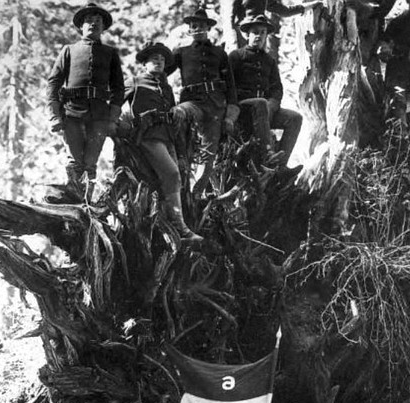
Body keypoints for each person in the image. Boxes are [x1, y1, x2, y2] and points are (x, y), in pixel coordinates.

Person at [120, 42, 204, 243]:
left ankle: (167, 225)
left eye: (162, 59)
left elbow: (173, 117)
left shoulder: (165, 87)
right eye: (154, 59)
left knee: (178, 177)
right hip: (148, 137)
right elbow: (113, 105)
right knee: (172, 173)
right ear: (144, 63)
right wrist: (125, 127)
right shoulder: (135, 82)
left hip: (168, 137)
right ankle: (180, 227)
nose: (159, 62)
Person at [45, 3, 126, 203]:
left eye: (98, 21)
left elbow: (118, 88)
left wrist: (112, 119)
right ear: (81, 26)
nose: (93, 24)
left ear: (103, 27)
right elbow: (53, 83)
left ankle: (85, 204)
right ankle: (73, 201)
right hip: (72, 113)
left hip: (99, 116)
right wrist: (54, 115)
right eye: (89, 21)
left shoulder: (110, 53)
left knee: (90, 163)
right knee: (74, 161)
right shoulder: (69, 50)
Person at [168, 6, 239, 194]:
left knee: (208, 155)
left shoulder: (220, 53)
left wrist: (230, 116)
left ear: (208, 28)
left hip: (216, 107)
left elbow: (231, 87)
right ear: (189, 30)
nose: (197, 29)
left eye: (201, 25)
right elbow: (162, 71)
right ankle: (181, 164)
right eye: (193, 26)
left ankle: (196, 196)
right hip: (192, 103)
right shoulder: (181, 52)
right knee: (178, 114)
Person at [228, 14, 302, 166]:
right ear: (247, 34)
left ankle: (280, 165)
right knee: (260, 103)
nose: (259, 36)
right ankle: (267, 153)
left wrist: (272, 105)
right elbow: (228, 86)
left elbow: (277, 89)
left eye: (263, 33)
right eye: (255, 32)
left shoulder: (269, 60)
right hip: (243, 108)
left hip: (265, 111)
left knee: (295, 118)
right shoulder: (236, 56)